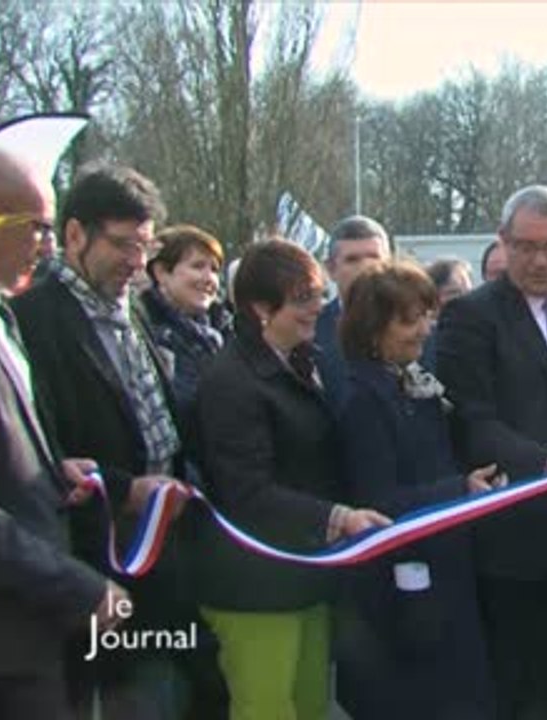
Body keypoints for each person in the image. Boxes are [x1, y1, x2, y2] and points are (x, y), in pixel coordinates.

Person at [12, 163, 223, 720]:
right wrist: (127, 489)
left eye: (145, 246)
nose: (137, 262)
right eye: (123, 245)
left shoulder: (130, 310)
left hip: (161, 553)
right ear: (74, 235)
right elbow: (37, 448)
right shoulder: (32, 319)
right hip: (92, 558)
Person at [193, 240, 390, 720]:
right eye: (303, 299)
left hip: (304, 576)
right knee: (267, 709)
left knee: (308, 706)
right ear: (262, 307)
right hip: (254, 586)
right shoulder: (232, 382)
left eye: (318, 295)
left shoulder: (301, 361)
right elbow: (246, 492)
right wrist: (338, 517)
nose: (317, 309)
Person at [0, 145, 121, 720]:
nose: (50, 246)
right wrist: (82, 589)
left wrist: (54, 472)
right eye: (37, 227)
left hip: (29, 638)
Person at [436, 185, 547, 720]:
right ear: (502, 243)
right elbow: (471, 422)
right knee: (511, 685)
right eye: (525, 245)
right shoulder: (471, 316)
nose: (538, 260)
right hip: (512, 533)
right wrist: (545, 464)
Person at [336, 263, 497, 719]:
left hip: (444, 568)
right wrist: (460, 488)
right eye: (410, 320)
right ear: (374, 329)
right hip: (404, 584)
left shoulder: (411, 383)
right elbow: (377, 499)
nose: (425, 330)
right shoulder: (362, 400)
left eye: (427, 315)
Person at [138, 225, 230, 411]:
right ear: (162, 272)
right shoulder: (143, 333)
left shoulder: (228, 333)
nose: (209, 278)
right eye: (198, 266)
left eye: (214, 269)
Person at [314, 215, 390, 409]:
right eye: (352, 259)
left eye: (374, 257)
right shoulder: (310, 332)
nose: (365, 267)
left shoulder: (422, 332)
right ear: (330, 269)